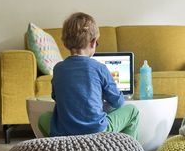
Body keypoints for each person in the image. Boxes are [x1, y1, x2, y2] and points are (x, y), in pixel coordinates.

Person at [49, 12, 139, 140]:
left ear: (65, 43)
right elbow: (118, 102)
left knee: (44, 118)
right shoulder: (99, 68)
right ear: (93, 42)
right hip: (97, 131)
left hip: (65, 131)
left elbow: (56, 97)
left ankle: (60, 147)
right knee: (133, 111)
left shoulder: (58, 69)